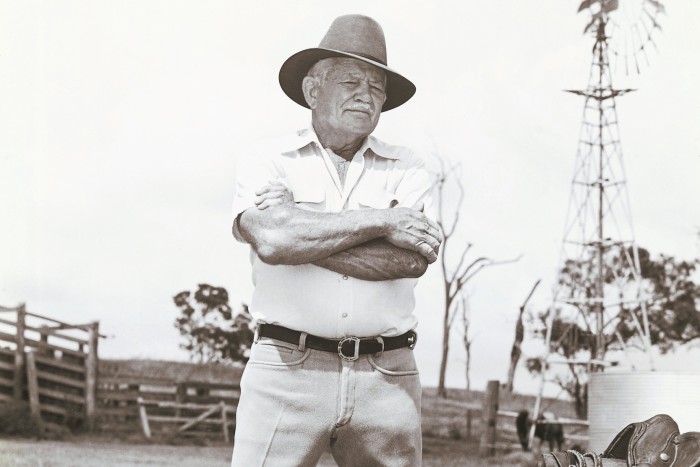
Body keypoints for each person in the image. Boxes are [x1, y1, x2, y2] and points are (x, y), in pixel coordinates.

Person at [230, 14, 442, 467]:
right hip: (285, 369)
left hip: (387, 375)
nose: (366, 95)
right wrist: (383, 221)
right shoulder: (268, 158)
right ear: (313, 90)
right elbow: (271, 242)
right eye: (351, 81)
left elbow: (410, 261)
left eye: (377, 87)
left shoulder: (407, 165)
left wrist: (300, 231)